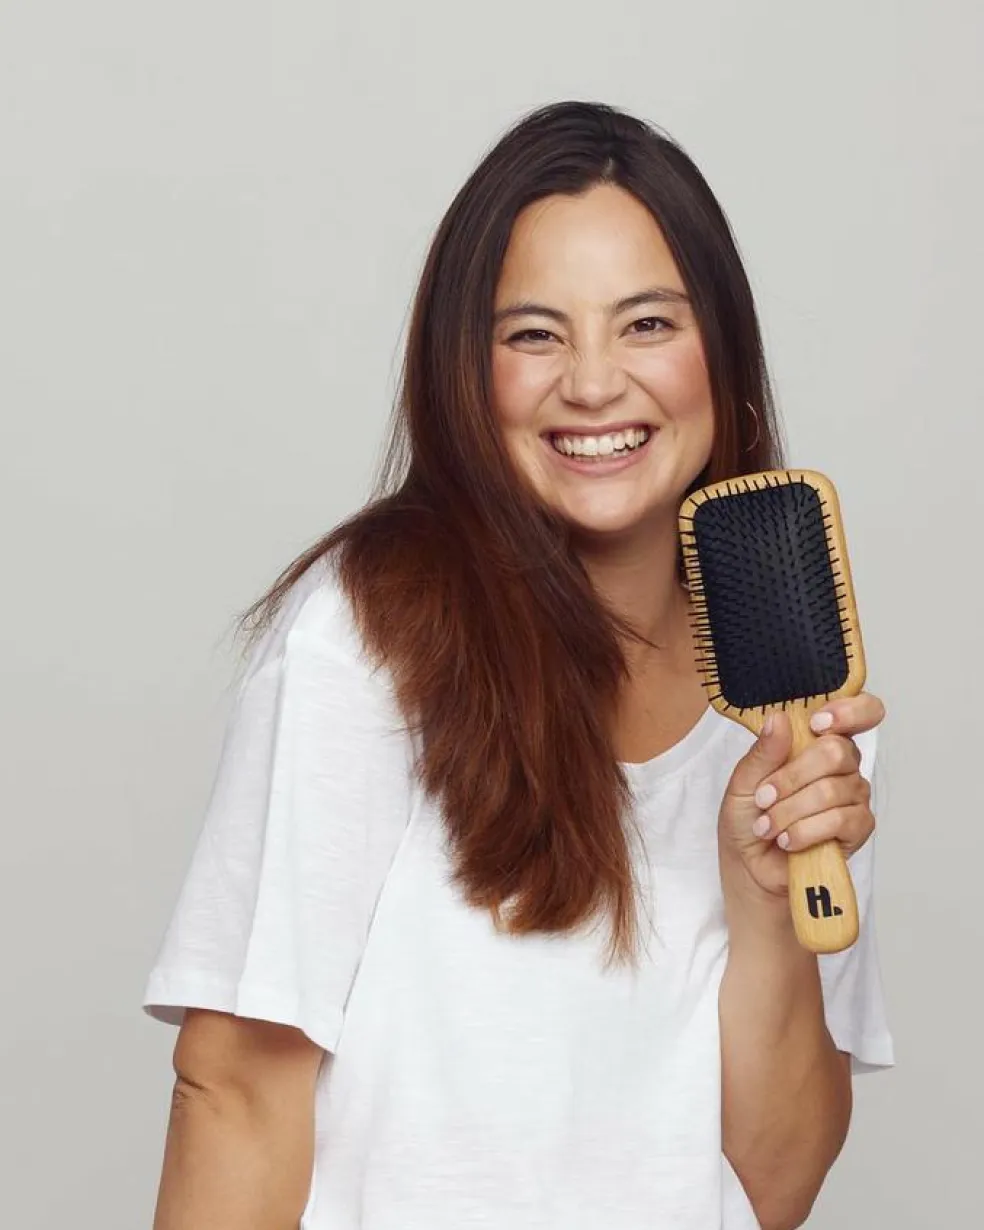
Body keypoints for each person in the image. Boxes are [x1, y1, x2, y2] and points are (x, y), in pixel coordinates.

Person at [142, 100, 894, 1229]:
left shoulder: (801, 706)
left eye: (647, 324)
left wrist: (763, 901)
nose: (592, 385)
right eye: (535, 335)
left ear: (724, 353)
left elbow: (775, 1186)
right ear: (465, 372)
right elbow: (237, 1092)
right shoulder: (363, 640)